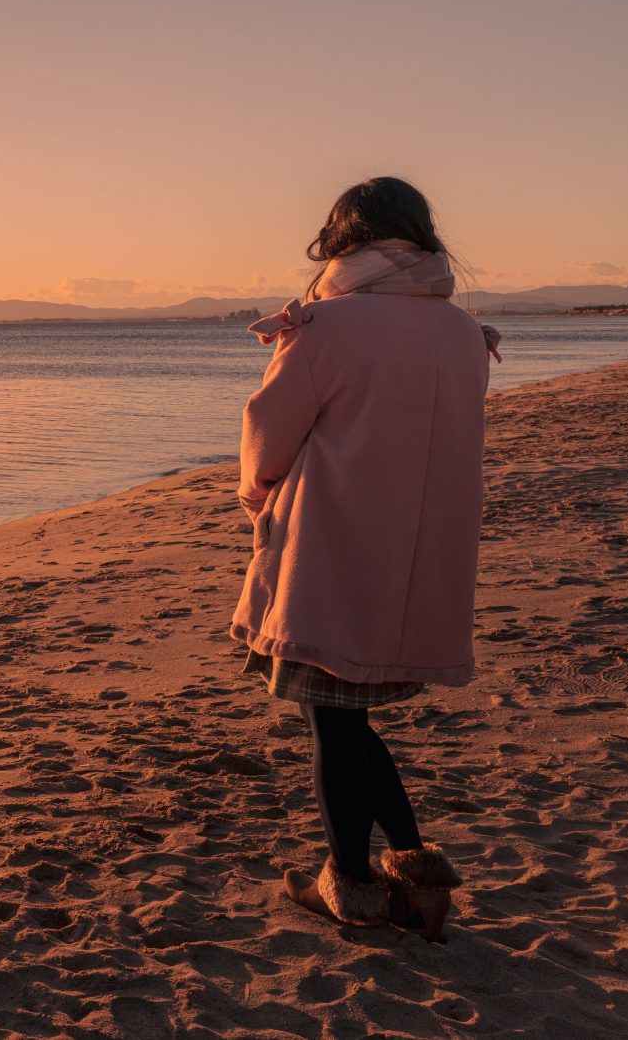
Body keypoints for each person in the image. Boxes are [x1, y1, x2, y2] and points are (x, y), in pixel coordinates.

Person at [231, 176, 500, 942]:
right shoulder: (460, 331)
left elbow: (266, 438)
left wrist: (259, 499)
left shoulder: (327, 326)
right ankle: (414, 870)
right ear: (418, 236)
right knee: (344, 720)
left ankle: (350, 882)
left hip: (333, 547)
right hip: (418, 555)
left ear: (341, 239)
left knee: (333, 722)